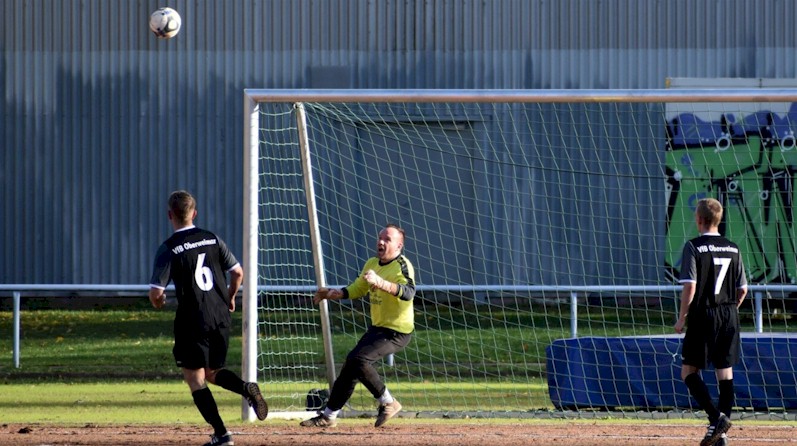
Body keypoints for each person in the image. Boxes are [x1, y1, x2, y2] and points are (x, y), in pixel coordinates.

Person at [149, 190, 268, 446]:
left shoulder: (169, 248)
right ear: (195, 213)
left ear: (170, 215)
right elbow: (237, 272)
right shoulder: (212, 239)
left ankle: (222, 434)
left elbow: (156, 292)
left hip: (193, 319)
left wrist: (158, 302)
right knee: (213, 372)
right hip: (220, 315)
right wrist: (231, 297)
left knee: (195, 379)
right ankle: (246, 388)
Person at [300, 223, 416, 429]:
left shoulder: (402, 265)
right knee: (350, 367)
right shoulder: (372, 263)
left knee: (358, 359)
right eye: (380, 238)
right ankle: (329, 415)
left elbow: (408, 293)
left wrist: (381, 283)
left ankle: (388, 402)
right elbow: (358, 288)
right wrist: (337, 293)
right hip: (379, 328)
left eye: (388, 239)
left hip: (397, 331)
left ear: (399, 246)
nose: (381, 241)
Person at [674, 197, 747, 446]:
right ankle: (721, 436)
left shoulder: (693, 247)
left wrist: (682, 317)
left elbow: (690, 287)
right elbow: (743, 290)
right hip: (729, 314)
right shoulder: (733, 248)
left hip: (704, 314)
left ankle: (716, 419)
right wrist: (730, 311)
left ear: (698, 219)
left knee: (688, 372)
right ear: (719, 219)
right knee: (724, 372)